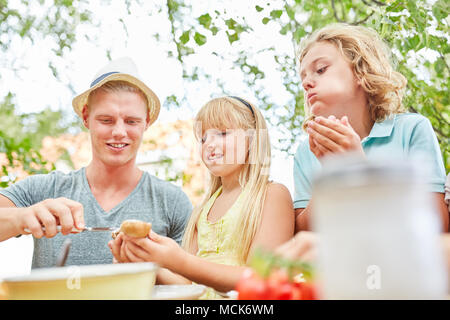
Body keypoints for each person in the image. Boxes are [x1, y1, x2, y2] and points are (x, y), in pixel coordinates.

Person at [0, 57, 192, 268]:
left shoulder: (173, 203)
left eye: (131, 121)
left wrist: (149, 266)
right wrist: (21, 217)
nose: (119, 132)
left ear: (146, 121)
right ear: (86, 117)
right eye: (106, 120)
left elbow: (189, 281)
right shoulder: (43, 190)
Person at [109, 96, 295, 298]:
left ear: (252, 140)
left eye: (223, 133)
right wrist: (148, 262)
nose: (209, 144)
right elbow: (187, 282)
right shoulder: (202, 208)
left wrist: (177, 260)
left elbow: (260, 280)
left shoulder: (271, 194)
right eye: (203, 138)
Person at [293, 23, 448, 233]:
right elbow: (303, 234)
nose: (306, 83)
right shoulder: (306, 152)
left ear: (360, 72)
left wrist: (358, 168)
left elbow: (438, 228)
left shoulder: (411, 130)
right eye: (302, 77)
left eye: (320, 69)